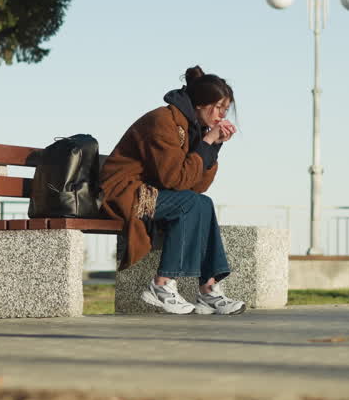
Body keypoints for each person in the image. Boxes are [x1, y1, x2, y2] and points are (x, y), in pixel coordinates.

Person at [98, 65, 243, 315]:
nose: (222, 115)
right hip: (125, 194)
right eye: (218, 107)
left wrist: (213, 147)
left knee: (203, 202)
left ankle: (208, 290)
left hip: (150, 192)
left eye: (225, 109)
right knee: (190, 203)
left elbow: (194, 186)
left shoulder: (191, 128)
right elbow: (175, 180)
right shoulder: (164, 121)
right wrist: (207, 142)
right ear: (200, 104)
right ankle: (161, 285)